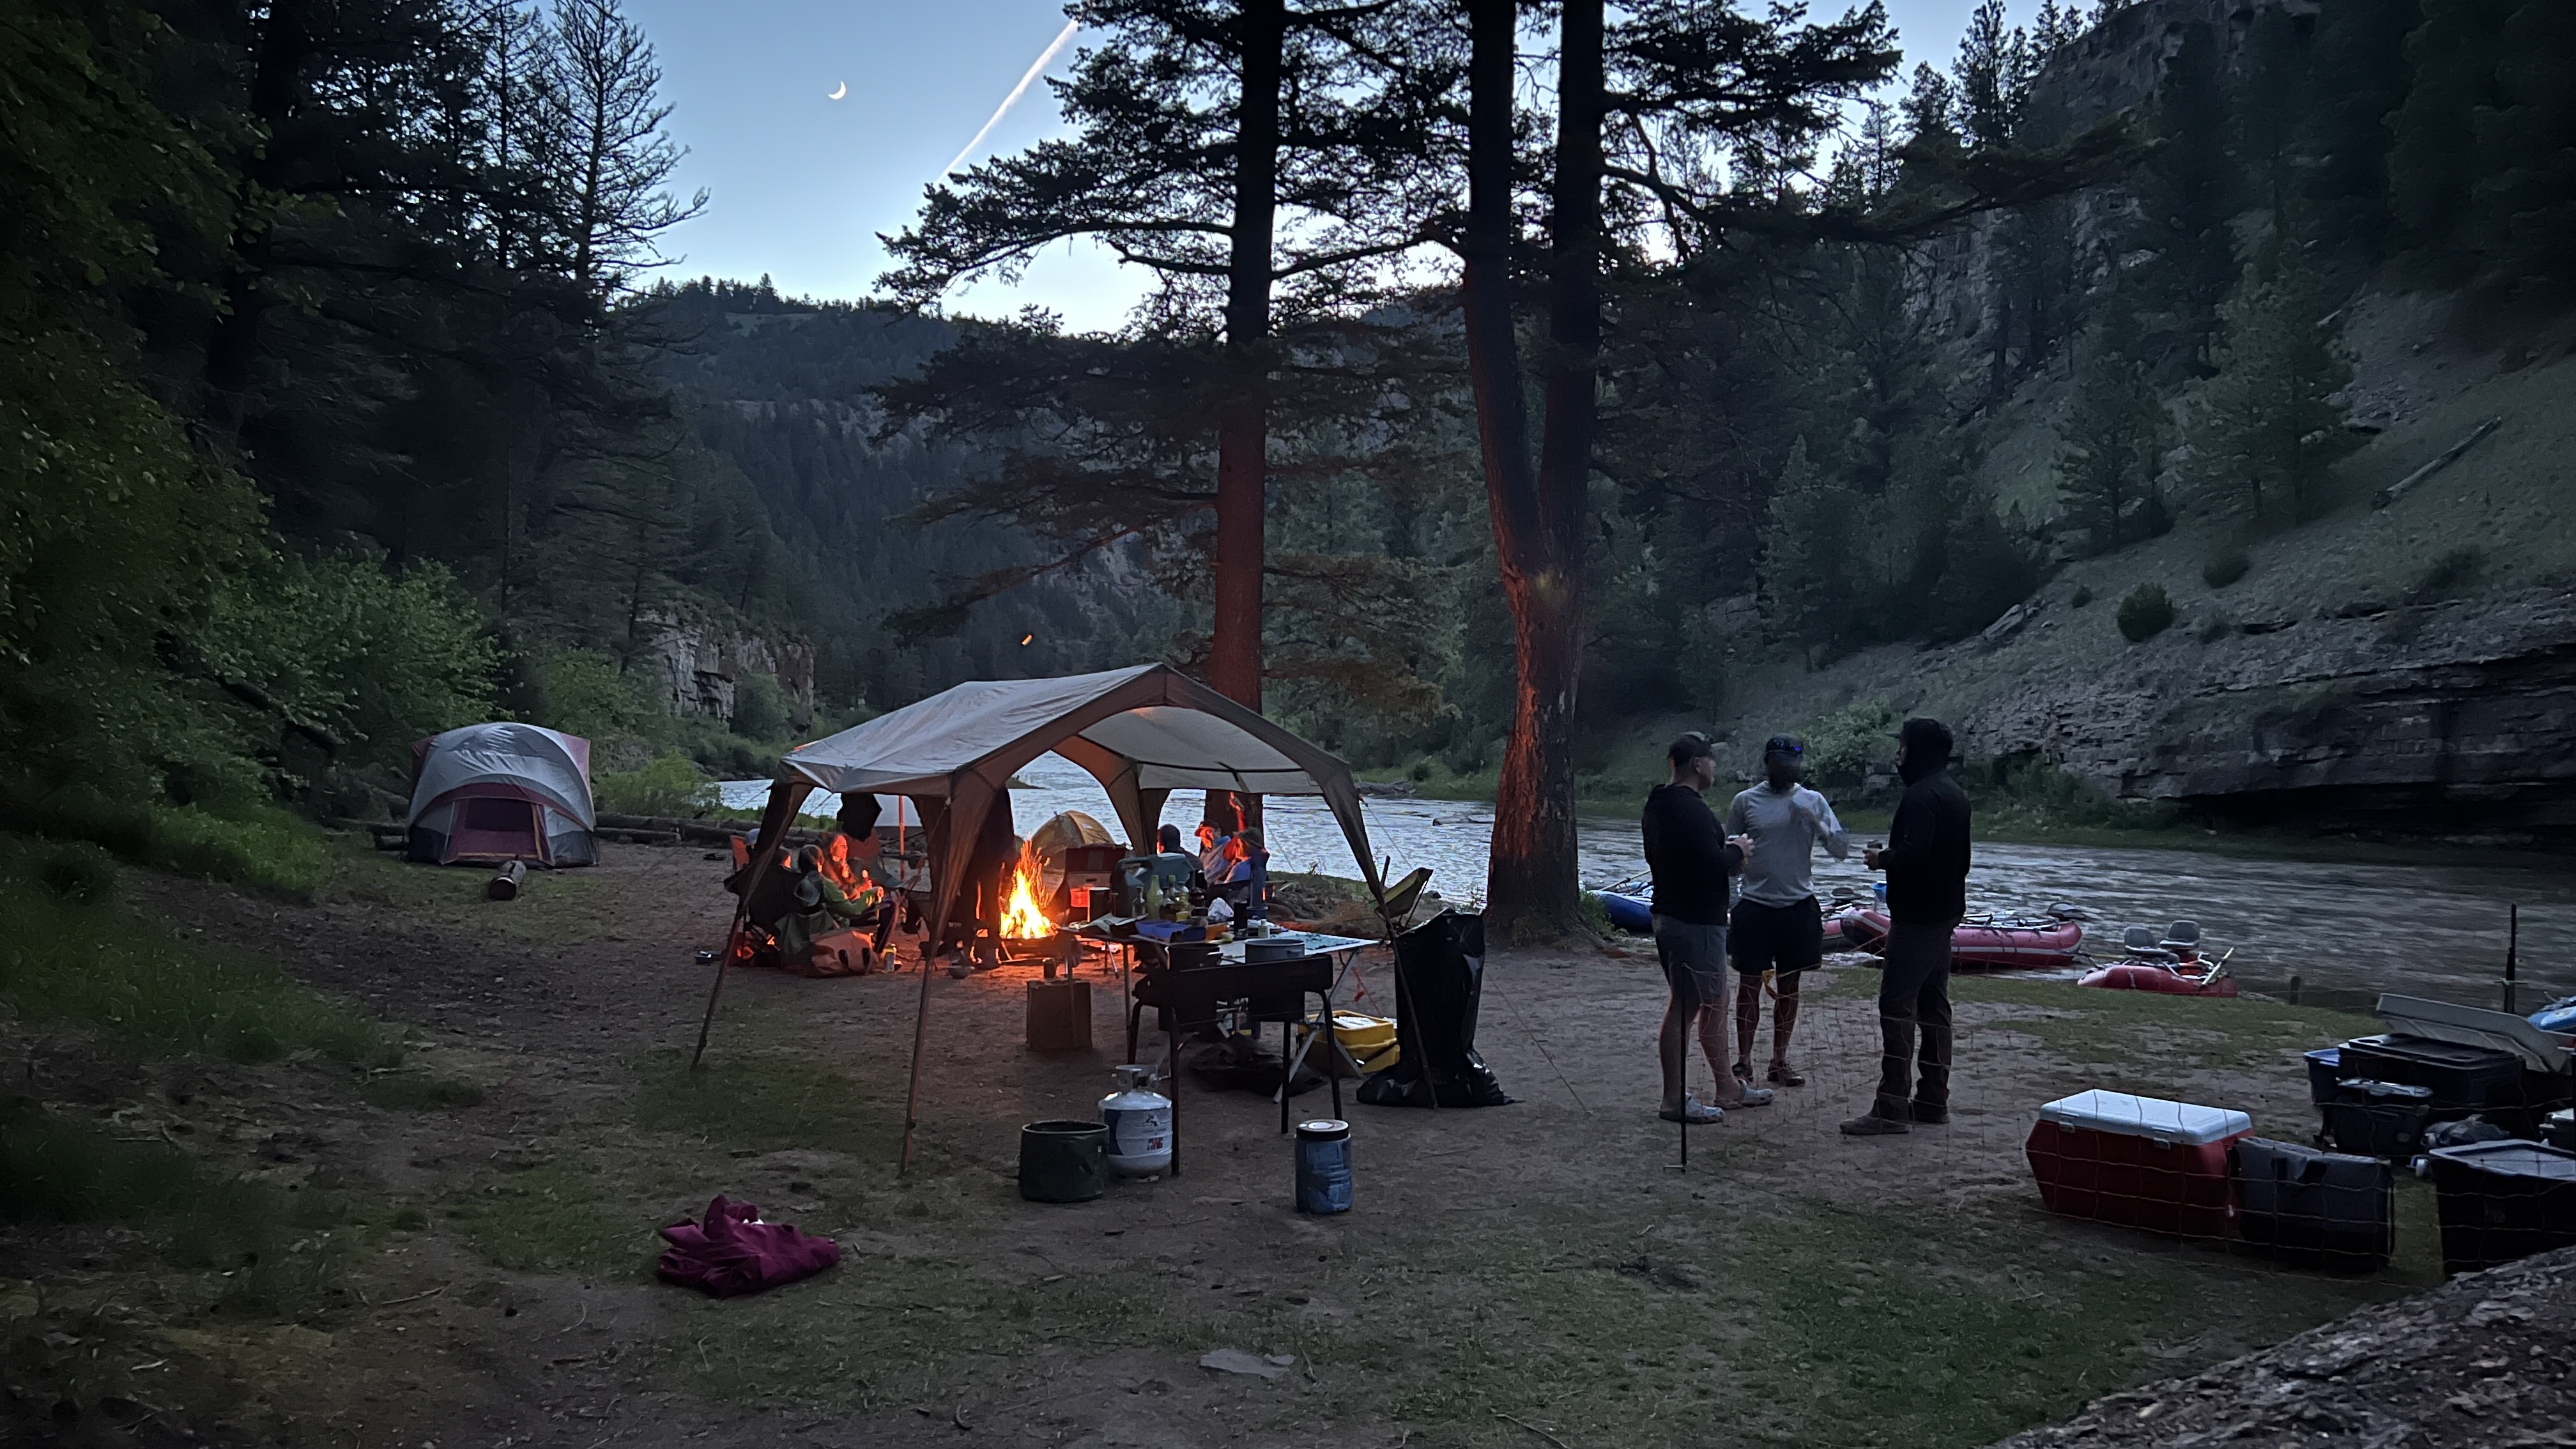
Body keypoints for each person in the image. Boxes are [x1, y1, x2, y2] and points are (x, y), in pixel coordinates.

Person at [1843, 717, 1972, 1137]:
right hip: (1944, 913)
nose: (1897, 754)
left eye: (1901, 746)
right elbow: (1961, 861)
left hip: (1917, 918)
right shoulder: (1954, 793)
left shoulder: (1919, 796)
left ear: (1916, 750)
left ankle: (1891, 1107)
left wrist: (1882, 860)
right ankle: (1933, 1101)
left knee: (1897, 1007)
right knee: (1934, 1008)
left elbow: (1915, 855)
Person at [1641, 732, 1770, 1124]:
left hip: (1673, 916)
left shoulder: (1659, 805)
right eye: (1711, 760)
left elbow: (1684, 859)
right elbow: (1710, 864)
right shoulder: (1689, 808)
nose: (1714, 766)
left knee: (1709, 1000)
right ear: (1697, 763)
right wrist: (1738, 851)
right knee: (1688, 1007)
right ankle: (1674, 1100)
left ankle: (1726, 1086)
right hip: (1694, 922)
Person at [1723, 735, 1850, 1089]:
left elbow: (1841, 849)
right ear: (1767, 764)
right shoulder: (1745, 801)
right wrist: (1731, 904)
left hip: (1798, 905)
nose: (1787, 770)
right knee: (1749, 985)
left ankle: (1779, 1061)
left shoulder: (1813, 800)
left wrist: (1817, 821)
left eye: (1793, 764)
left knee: (1790, 985)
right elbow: (1728, 857)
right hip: (1755, 905)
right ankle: (1743, 1062)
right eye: (1780, 764)